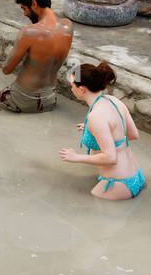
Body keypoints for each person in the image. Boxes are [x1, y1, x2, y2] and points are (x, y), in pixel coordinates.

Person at [58, 63, 145, 199]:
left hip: (118, 184)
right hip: (136, 175)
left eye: (72, 85)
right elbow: (133, 134)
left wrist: (76, 158)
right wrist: (94, 131)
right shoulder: (113, 100)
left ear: (81, 89)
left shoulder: (96, 117)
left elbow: (111, 158)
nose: (71, 88)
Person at [0, 0, 74, 113]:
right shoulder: (68, 26)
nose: (24, 14)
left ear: (34, 4)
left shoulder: (29, 33)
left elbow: (7, 69)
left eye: (24, 8)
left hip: (22, 99)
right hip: (50, 99)